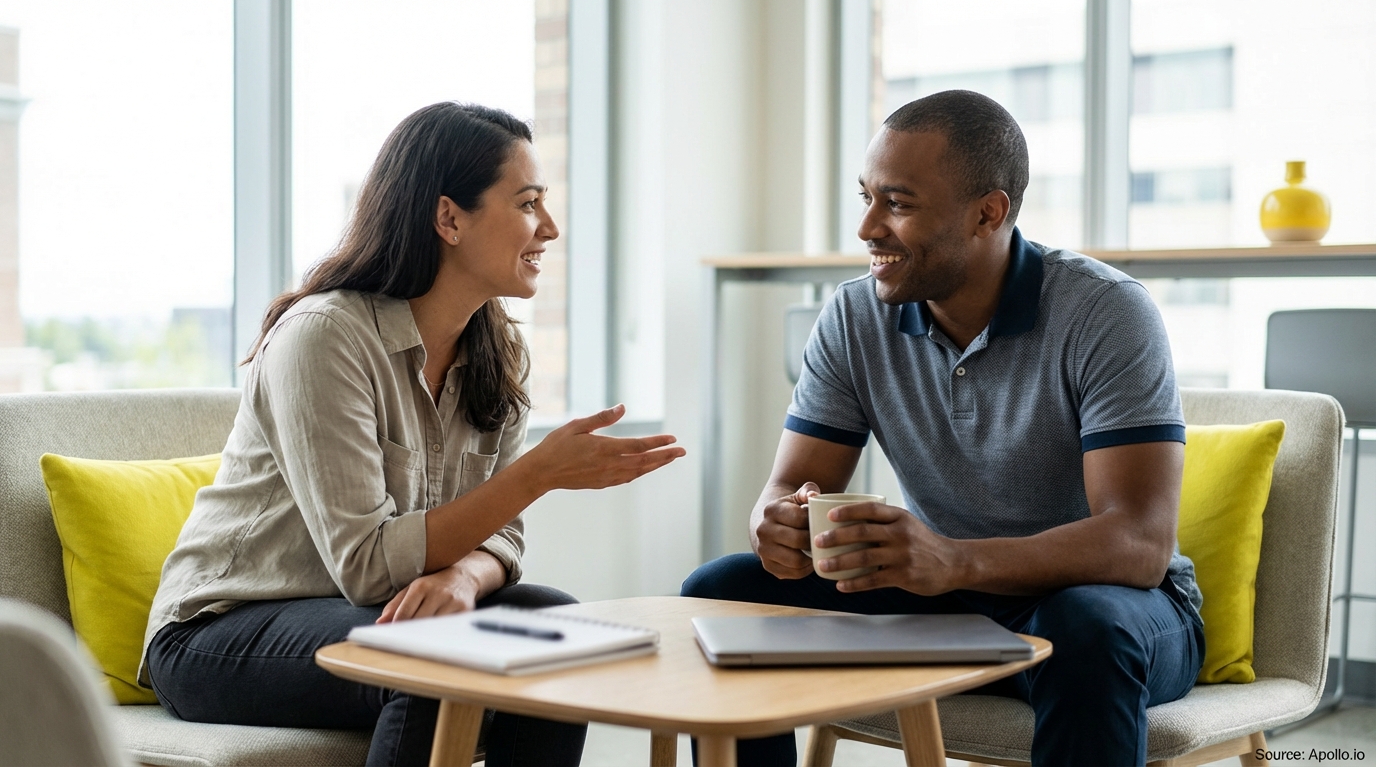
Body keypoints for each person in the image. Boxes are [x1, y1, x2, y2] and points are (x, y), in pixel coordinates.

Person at [141, 102, 686, 767]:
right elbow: (368, 567)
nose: (550, 228)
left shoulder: (498, 350)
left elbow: (502, 535)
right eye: (528, 204)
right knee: (433, 657)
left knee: (559, 624)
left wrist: (465, 576)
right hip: (221, 632)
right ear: (449, 217)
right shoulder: (325, 338)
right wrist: (537, 473)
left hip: (365, 616)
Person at [681, 90, 1204, 767]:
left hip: (1119, 609)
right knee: (723, 590)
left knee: (1087, 626)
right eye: (865, 197)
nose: (868, 228)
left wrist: (955, 559)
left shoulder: (1105, 312)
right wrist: (774, 525)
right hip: (950, 598)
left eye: (896, 204)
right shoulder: (853, 317)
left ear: (988, 212)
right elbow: (791, 482)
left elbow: (1138, 543)